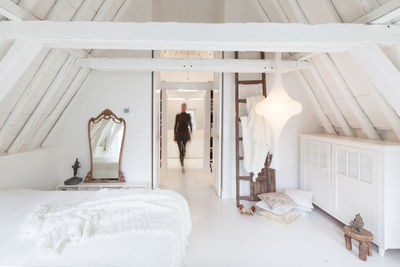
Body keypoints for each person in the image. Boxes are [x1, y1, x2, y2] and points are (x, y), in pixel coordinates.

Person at [174, 103, 192, 167]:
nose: (183, 108)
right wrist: (174, 134)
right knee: (180, 149)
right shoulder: (178, 115)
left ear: (185, 108)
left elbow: (190, 123)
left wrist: (191, 130)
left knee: (184, 149)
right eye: (182, 107)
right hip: (178, 132)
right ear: (181, 107)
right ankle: (181, 159)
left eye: (184, 107)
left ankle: (182, 157)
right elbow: (175, 124)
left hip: (185, 132)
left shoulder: (188, 115)